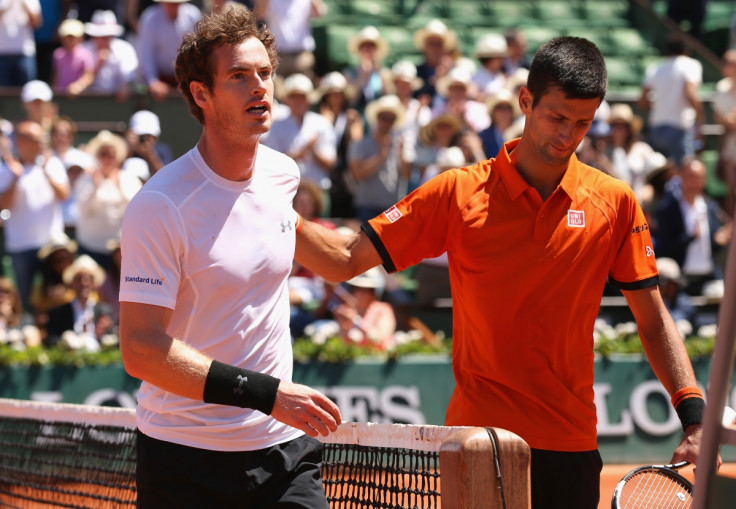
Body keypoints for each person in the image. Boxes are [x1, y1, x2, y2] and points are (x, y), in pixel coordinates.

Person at [294, 36, 712, 508]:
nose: (568, 135)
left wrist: (694, 416)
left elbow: (653, 319)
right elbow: (345, 258)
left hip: (570, 444)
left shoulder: (614, 202)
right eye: (557, 117)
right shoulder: (457, 193)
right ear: (525, 101)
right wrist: (272, 213)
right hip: (478, 442)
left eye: (582, 123)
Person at [118, 8, 341, 508]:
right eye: (239, 76)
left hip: (284, 451)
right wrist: (269, 393)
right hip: (184, 459)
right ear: (201, 94)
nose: (260, 87)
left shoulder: (283, 175)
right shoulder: (160, 205)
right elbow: (141, 348)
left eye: (265, 73)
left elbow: (335, 254)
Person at [0, 120, 70, 311]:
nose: (42, 144)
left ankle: (54, 333)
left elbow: (64, 195)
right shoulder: (7, 169)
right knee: (23, 297)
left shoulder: (52, 164)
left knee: (55, 296)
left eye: (42, 139)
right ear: (21, 142)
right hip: (20, 246)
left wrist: (46, 171)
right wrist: (15, 177)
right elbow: (2, 205)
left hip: (50, 246)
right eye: (36, 140)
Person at [654, 157, 732, 295]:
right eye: (690, 177)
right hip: (679, 281)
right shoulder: (668, 209)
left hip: (708, 277)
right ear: (681, 178)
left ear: (704, 180)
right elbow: (666, 247)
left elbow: (711, 247)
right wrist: (690, 237)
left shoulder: (711, 208)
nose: (693, 182)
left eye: (698, 178)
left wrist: (718, 241)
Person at [77, 129, 142, 270]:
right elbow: (82, 209)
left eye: (111, 154)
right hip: (90, 246)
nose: (107, 159)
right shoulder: (86, 178)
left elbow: (136, 208)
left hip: (120, 250)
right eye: (103, 154)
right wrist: (95, 185)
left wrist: (119, 184)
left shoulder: (128, 178)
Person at [261, 72, 336, 191]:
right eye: (294, 96)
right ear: (287, 99)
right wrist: (303, 151)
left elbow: (330, 164)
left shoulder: (322, 124)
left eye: (302, 97)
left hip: (318, 190)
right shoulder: (276, 126)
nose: (298, 101)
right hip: (288, 191)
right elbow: (272, 164)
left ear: (308, 99)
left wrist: (313, 151)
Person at [637, 34, 704, 166]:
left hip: (656, 128)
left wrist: (661, 107)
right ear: (686, 51)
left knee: (659, 174)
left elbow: (642, 101)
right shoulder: (691, 65)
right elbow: (690, 93)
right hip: (680, 128)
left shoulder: (655, 68)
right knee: (682, 174)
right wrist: (700, 120)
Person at [347, 94, 409, 222]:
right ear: (377, 118)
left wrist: (402, 154)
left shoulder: (399, 145)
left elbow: (407, 175)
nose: (386, 122)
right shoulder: (361, 144)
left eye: (391, 119)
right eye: (383, 117)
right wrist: (381, 155)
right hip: (367, 206)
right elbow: (358, 174)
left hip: (392, 207)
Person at [137, 0, 202, 102]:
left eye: (177, 2)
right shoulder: (149, 18)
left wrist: (189, 79)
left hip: (187, 78)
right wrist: (153, 81)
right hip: (159, 78)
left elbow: (197, 51)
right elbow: (146, 53)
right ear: (162, 2)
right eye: (170, 2)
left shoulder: (193, 15)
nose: (174, 5)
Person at [45, 254, 114, 349]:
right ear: (72, 283)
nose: (83, 283)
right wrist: (66, 340)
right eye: (79, 279)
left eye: (88, 279)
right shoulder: (58, 313)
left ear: (93, 284)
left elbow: (112, 339)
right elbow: (51, 340)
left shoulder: (105, 311)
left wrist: (102, 335)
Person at [82, 10, 139, 101]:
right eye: (98, 35)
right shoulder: (83, 49)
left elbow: (129, 77)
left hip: (117, 105)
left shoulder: (125, 49)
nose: (101, 40)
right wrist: (98, 65)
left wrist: (124, 87)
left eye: (106, 36)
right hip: (86, 103)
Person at [343, 25, 391, 113]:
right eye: (364, 46)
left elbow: (387, 98)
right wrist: (362, 77)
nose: (368, 50)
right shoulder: (349, 73)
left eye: (371, 46)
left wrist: (379, 72)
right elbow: (351, 101)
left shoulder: (384, 73)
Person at [712, 48, 736, 216]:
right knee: (730, 188)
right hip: (729, 143)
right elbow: (718, 117)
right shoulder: (721, 88)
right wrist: (728, 121)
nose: (727, 66)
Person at [122, 109, 173, 182]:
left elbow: (166, 178)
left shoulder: (162, 150)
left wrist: (149, 155)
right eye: (142, 135)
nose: (146, 140)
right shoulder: (122, 148)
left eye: (150, 136)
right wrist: (128, 149)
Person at [0, 0, 42, 86]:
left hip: (25, 53)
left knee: (27, 90)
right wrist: (6, 5)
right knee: (3, 93)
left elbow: (37, 23)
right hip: (2, 54)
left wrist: (24, 4)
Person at [52, 18, 95, 96]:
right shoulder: (57, 54)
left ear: (80, 38)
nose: (69, 40)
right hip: (61, 96)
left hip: (79, 98)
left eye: (73, 37)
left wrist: (79, 86)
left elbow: (89, 76)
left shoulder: (86, 54)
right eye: (67, 37)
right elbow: (56, 75)